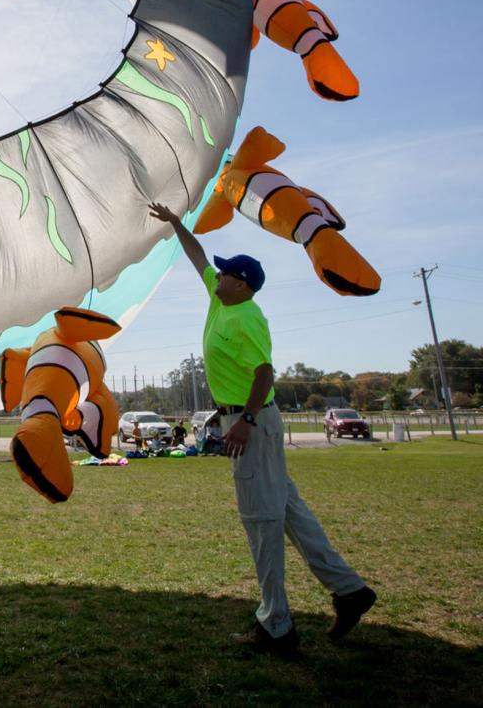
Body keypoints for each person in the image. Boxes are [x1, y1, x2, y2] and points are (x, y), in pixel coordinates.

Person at [148, 202, 377, 658]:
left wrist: (246, 423)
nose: (215, 277)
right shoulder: (220, 300)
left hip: (251, 424)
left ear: (242, 283)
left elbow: (265, 373)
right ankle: (349, 591)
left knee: (261, 522)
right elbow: (198, 257)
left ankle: (276, 626)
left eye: (224, 274)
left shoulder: (246, 317)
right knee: (290, 511)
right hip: (249, 421)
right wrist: (176, 223)